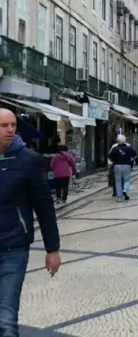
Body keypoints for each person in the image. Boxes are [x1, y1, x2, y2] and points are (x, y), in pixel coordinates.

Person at [0, 108, 61, 337]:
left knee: (6, 319)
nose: (10, 130)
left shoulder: (28, 160)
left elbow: (44, 207)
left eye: (13, 125)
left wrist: (52, 249)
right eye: (4, 125)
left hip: (13, 248)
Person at [109, 136, 137, 202]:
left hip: (117, 165)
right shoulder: (129, 148)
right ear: (125, 141)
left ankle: (119, 197)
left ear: (117, 141)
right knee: (127, 179)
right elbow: (134, 154)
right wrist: (131, 159)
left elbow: (110, 157)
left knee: (118, 181)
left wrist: (115, 160)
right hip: (126, 165)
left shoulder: (115, 149)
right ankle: (125, 190)